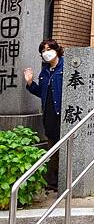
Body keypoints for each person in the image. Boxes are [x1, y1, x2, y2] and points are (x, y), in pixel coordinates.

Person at [24, 39, 64, 190]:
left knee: (62, 145)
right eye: (43, 50)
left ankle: (62, 179)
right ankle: (52, 182)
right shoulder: (45, 71)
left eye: (49, 49)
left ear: (56, 50)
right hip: (49, 114)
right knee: (52, 144)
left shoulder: (64, 67)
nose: (46, 52)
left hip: (62, 113)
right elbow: (42, 92)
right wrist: (30, 83)